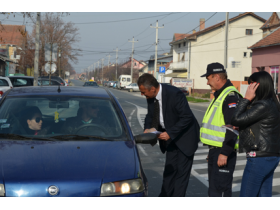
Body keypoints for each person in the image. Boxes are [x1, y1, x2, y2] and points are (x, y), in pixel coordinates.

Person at [137, 73, 200, 197]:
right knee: (169, 171)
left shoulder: (174, 94)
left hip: (185, 137)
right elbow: (150, 115)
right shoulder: (151, 97)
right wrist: (147, 129)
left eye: (143, 92)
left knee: (181, 174)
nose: (142, 94)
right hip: (170, 138)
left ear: (153, 89)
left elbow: (186, 118)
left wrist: (170, 133)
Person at [231, 71, 280, 197]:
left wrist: (246, 98)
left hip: (259, 157)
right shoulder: (273, 103)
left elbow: (235, 119)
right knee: (263, 195)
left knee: (247, 195)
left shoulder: (262, 105)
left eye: (252, 85)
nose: (249, 88)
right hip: (270, 155)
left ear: (259, 86)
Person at [200, 62, 242, 197]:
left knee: (220, 191)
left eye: (208, 78)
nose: (207, 83)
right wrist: (213, 151)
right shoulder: (221, 95)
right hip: (216, 151)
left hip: (224, 152)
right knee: (214, 190)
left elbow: (233, 128)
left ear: (217, 77)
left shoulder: (230, 96)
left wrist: (224, 152)